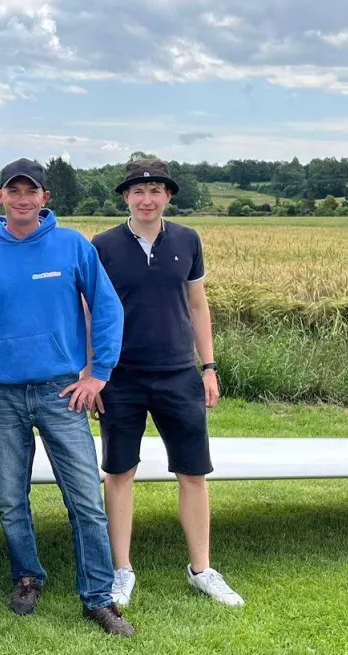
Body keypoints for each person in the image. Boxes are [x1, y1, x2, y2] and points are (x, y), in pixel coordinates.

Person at [0, 158, 133, 636]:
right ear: (0, 197)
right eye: (13, 190)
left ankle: (98, 598)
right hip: (3, 393)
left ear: (44, 198)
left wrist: (99, 373)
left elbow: (107, 306)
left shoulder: (72, 245)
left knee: (85, 500)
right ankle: (27, 576)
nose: (22, 198)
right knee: (12, 498)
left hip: (63, 393)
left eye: (30, 191)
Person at [92, 158, 244, 609]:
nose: (146, 199)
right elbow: (90, 313)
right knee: (119, 473)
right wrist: (92, 373)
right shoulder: (103, 246)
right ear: (125, 197)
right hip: (120, 377)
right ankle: (122, 571)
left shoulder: (187, 240)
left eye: (155, 190)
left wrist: (209, 366)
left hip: (179, 373)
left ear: (168, 196)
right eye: (138, 191)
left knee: (192, 472)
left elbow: (198, 306)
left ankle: (201, 569)